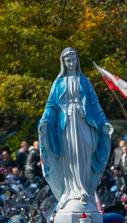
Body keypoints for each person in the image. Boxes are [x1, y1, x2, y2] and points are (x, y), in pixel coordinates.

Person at [38, 46, 113, 208]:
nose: (71, 63)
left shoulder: (84, 81)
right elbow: (51, 106)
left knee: (83, 154)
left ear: (76, 61)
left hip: (83, 122)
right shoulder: (58, 83)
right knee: (69, 155)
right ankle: (70, 190)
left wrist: (103, 121)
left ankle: (83, 188)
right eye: (67, 61)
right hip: (66, 125)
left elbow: (95, 104)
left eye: (73, 60)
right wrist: (45, 120)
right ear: (63, 62)